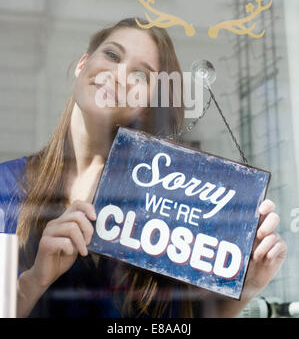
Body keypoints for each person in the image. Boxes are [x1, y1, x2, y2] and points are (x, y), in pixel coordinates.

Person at [0, 18, 286, 318]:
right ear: (83, 64)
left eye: (140, 75)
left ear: (148, 104)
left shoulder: (167, 203)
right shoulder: (6, 186)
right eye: (112, 55)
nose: (119, 74)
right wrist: (33, 281)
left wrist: (246, 287)